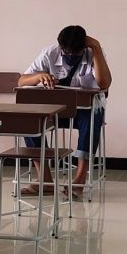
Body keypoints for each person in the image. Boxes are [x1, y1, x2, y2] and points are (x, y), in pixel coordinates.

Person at [18, 25, 112, 193]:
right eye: (65, 53)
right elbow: (21, 81)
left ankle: (79, 179)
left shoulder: (93, 53)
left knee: (93, 115)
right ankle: (45, 179)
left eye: (74, 54)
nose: (69, 56)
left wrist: (96, 47)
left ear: (84, 46)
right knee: (29, 120)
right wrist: (38, 76)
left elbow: (104, 84)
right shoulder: (49, 53)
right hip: (56, 111)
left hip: (83, 112)